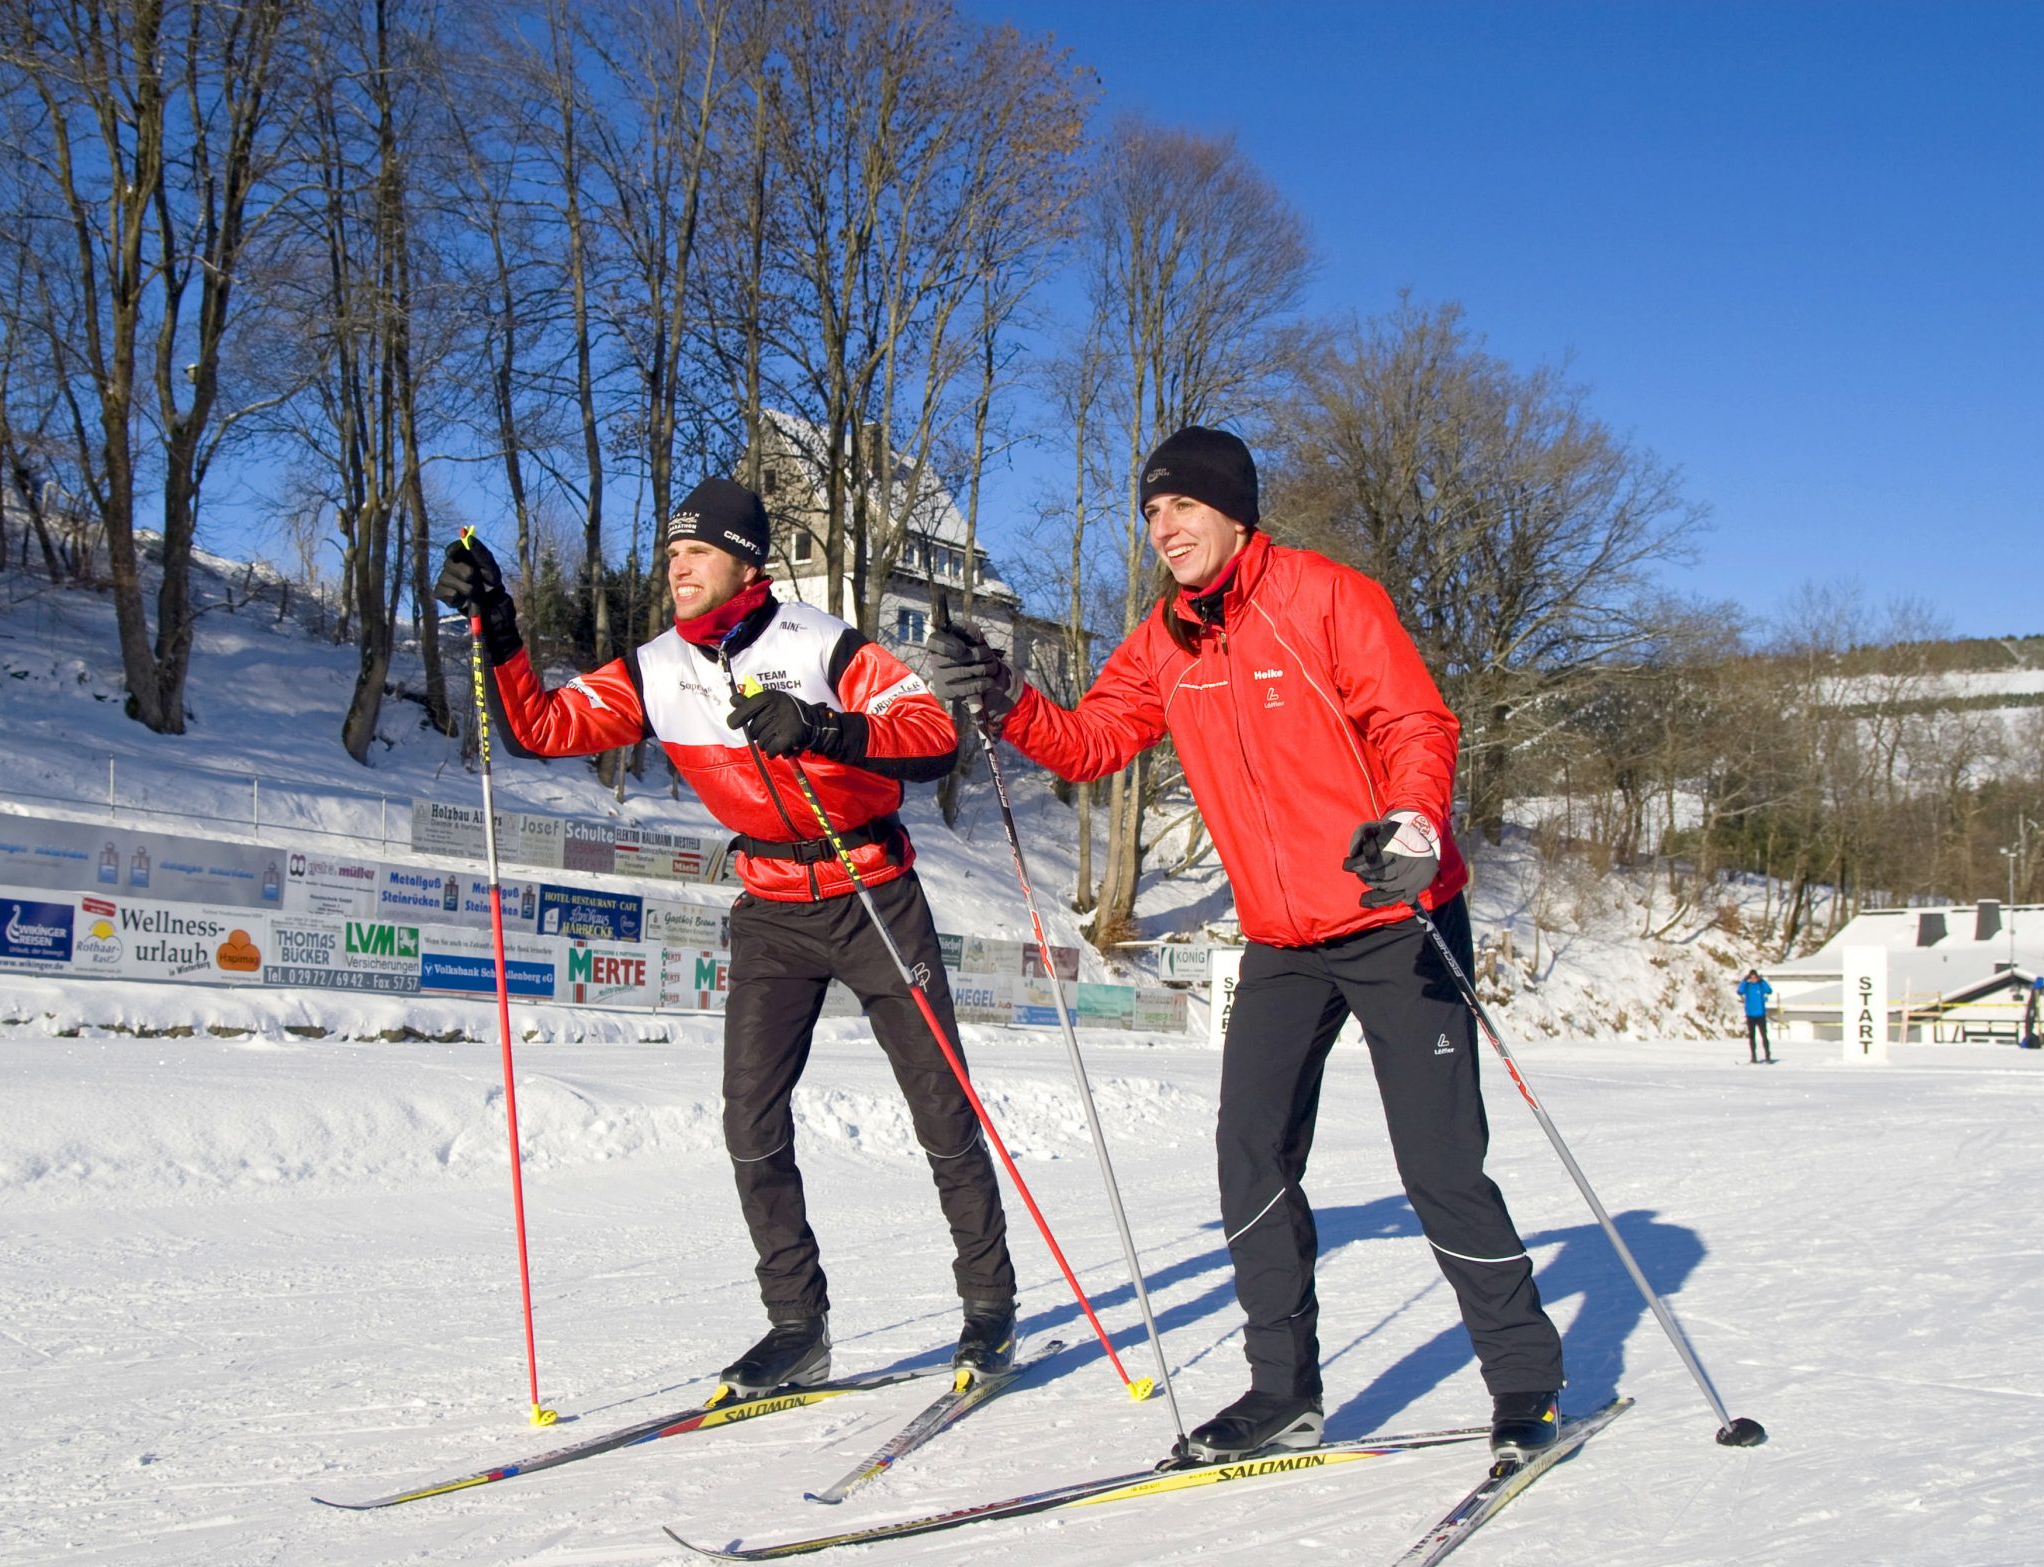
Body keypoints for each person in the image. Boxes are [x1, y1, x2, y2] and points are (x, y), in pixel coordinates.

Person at [925, 425, 1564, 1464]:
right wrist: (1006, 699)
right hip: (1280, 933)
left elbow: (1414, 724)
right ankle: (1282, 1390)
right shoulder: (1162, 641)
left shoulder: (1324, 598)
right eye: (1149, 514)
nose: (1162, 527)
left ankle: (1525, 1383)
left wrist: (1413, 824)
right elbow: (1090, 745)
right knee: (1249, 1154)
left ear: (1233, 510)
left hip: (1393, 909)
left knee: (1439, 1165)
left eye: (1179, 506)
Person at [435, 476, 1020, 1396]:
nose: (677, 567)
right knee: (750, 1126)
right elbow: (538, 727)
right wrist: (500, 624)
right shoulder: (657, 665)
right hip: (772, 910)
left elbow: (930, 736)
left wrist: (822, 726)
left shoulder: (821, 641)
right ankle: (797, 1327)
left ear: (745, 562)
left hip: (872, 892)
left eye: (695, 551)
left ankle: (988, 1312)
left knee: (942, 1112)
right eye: (670, 553)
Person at [1738, 970, 1775, 1063]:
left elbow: (1769, 991)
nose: (1753, 979)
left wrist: (1762, 981)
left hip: (1760, 1015)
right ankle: (1753, 1056)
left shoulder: (1761, 985)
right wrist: (1744, 981)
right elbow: (1739, 991)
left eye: (1755, 977)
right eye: (1751, 977)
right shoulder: (1747, 986)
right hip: (1750, 1015)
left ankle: (1767, 1055)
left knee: (1764, 1036)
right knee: (1752, 1037)